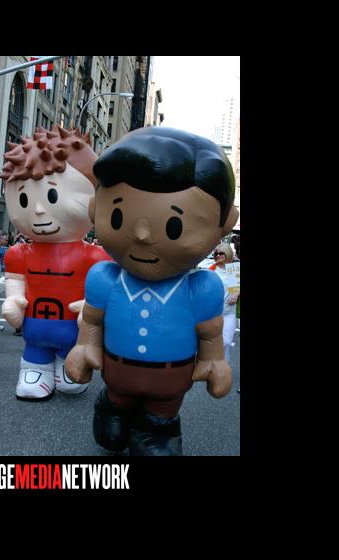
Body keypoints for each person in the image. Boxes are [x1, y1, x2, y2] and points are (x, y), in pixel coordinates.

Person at [65, 126, 238, 456]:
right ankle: (113, 407)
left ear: (225, 223)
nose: (143, 235)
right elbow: (93, 320)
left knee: (160, 421)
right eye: (117, 216)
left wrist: (214, 361)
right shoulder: (104, 278)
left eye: (174, 226)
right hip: (117, 372)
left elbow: (210, 334)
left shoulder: (202, 288)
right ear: (95, 209)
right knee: (112, 426)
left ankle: (158, 426)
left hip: (170, 380)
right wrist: (85, 346)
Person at [0, 125, 112, 400]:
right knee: (35, 360)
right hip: (35, 326)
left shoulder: (94, 255)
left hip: (72, 328)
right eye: (23, 198)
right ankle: (34, 368)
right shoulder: (19, 253)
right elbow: (15, 284)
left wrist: (92, 307)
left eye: (51, 196)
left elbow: (104, 290)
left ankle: (67, 364)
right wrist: (13, 300)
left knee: (70, 380)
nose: (38, 210)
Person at [210, 243, 239, 363]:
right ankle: (218, 368)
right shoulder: (211, 270)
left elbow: (236, 288)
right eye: (216, 253)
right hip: (213, 313)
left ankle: (221, 366)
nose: (218, 255)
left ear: (228, 253)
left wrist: (236, 294)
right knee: (213, 344)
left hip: (228, 312)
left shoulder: (233, 269)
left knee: (226, 341)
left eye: (221, 253)